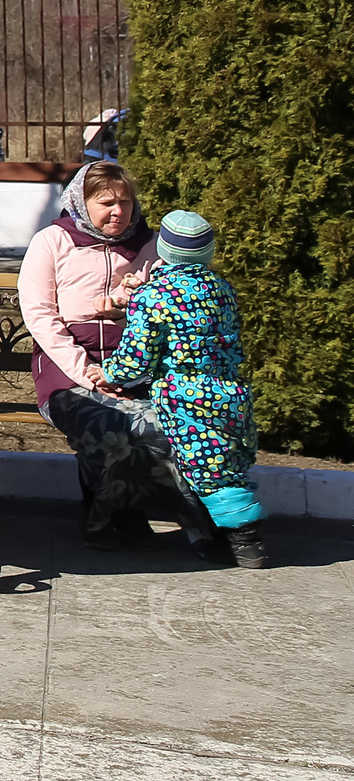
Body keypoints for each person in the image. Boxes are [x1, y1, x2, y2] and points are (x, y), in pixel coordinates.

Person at [20, 162, 216, 554]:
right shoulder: (53, 241)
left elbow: (170, 309)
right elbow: (40, 315)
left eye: (125, 202)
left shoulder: (149, 245)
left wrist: (127, 312)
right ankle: (111, 516)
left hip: (136, 365)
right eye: (106, 202)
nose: (118, 212)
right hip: (67, 369)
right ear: (82, 201)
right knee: (108, 424)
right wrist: (89, 373)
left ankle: (152, 515)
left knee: (169, 424)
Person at [103, 211, 265, 568]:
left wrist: (110, 373)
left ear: (163, 249)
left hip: (186, 395)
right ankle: (235, 536)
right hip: (231, 391)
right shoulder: (221, 287)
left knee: (206, 469)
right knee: (229, 463)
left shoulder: (154, 295)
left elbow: (136, 359)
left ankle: (244, 541)